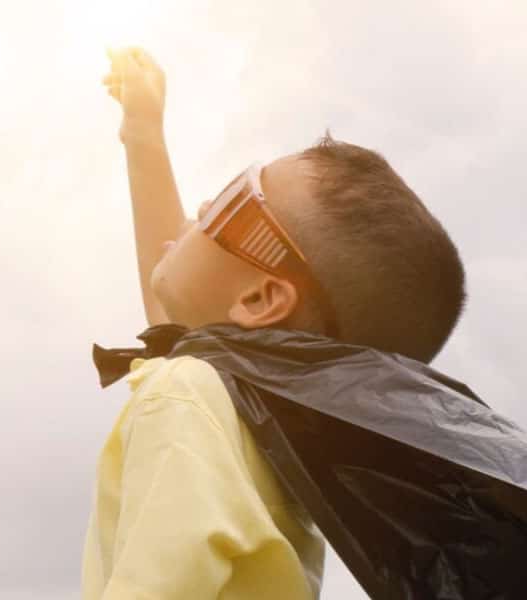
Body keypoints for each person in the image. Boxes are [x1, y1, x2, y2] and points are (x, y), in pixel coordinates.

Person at [82, 46, 467, 599]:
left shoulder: (186, 396)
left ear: (262, 297)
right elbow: (171, 308)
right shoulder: (263, 422)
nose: (209, 200)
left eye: (238, 199)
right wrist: (143, 132)